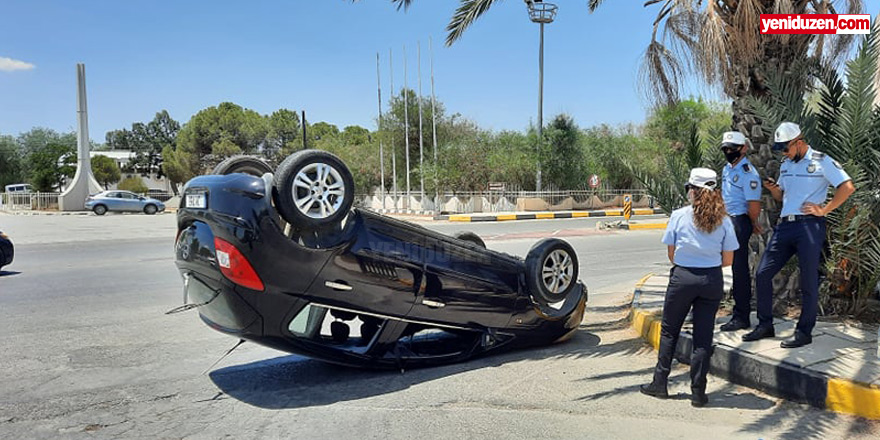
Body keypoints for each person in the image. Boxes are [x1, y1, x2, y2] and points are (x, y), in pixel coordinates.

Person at [742, 122, 855, 348]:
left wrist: (824, 209)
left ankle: (804, 332)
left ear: (799, 143)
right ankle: (765, 325)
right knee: (763, 273)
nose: (783, 152)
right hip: (785, 226)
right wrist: (774, 189)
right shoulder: (786, 164)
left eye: (786, 148)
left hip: (809, 227)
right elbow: (782, 197)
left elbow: (848, 187)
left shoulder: (822, 161)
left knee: (808, 281)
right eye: (781, 149)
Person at [640, 168, 738, 407]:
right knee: (703, 338)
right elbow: (728, 260)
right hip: (712, 280)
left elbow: (672, 254)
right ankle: (698, 392)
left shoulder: (679, 216)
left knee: (669, 331)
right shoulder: (725, 220)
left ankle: (660, 383)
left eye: (688, 189)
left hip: (682, 278)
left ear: (693, 190)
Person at [718, 131, 763, 332]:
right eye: (725, 148)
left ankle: (742, 316)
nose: (728, 151)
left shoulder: (748, 173)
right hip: (726, 221)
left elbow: (753, 205)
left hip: (738, 222)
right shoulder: (727, 169)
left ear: (743, 148)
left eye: (732, 148)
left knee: (739, 269)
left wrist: (751, 223)